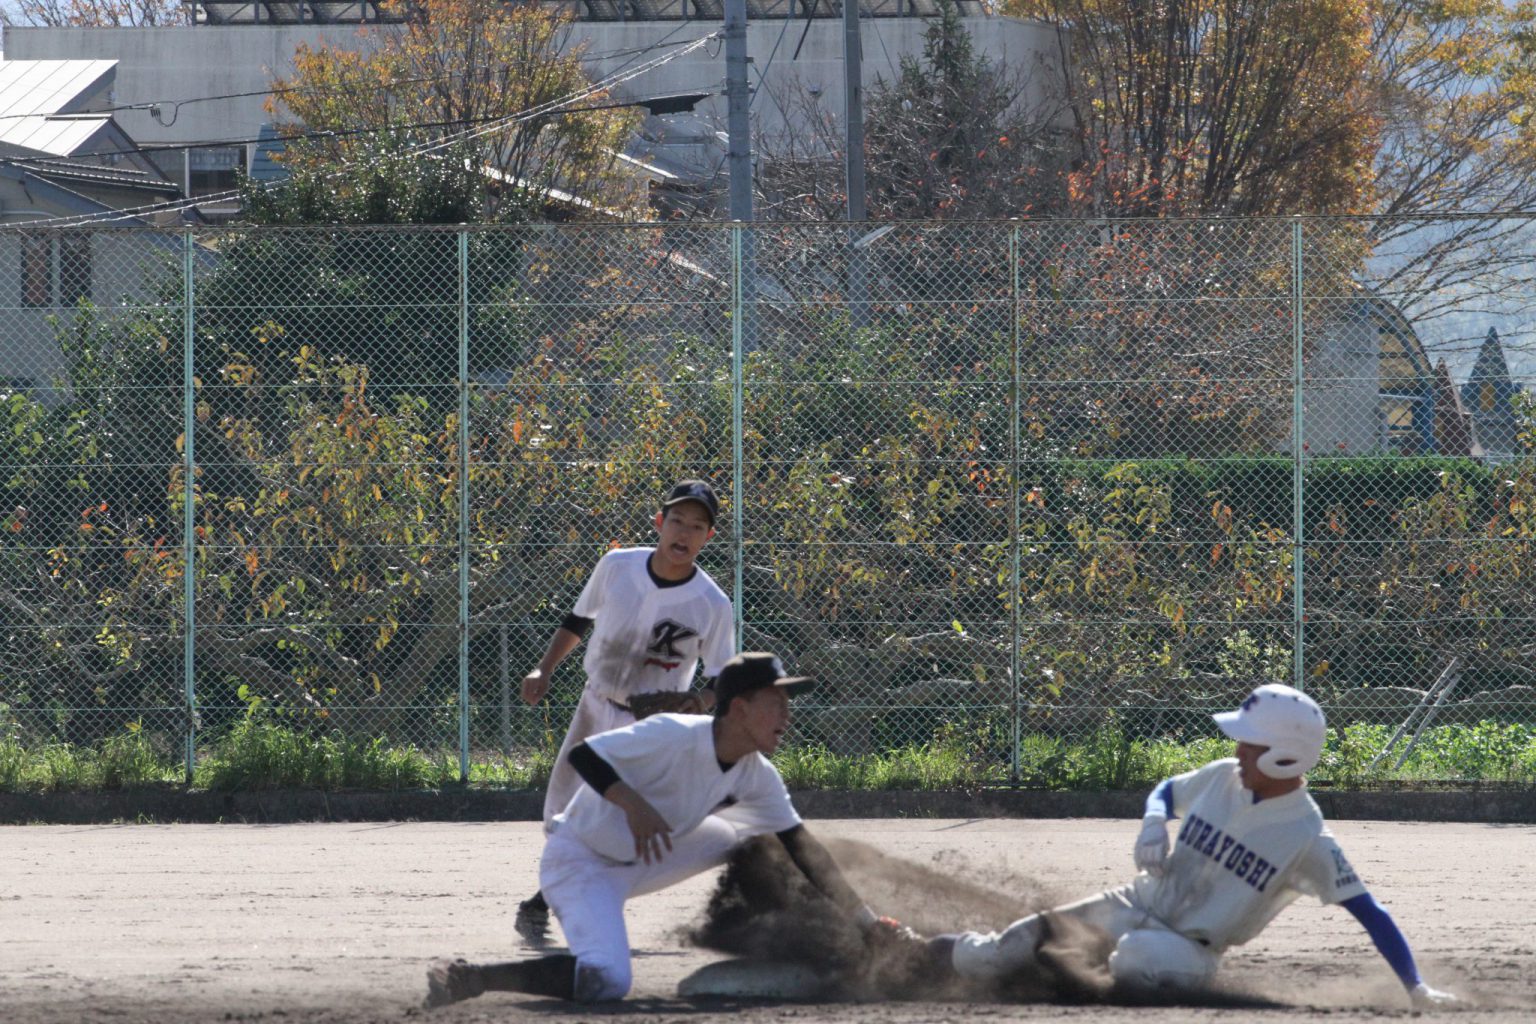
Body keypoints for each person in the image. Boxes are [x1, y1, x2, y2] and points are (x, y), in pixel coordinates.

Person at [924, 683, 1461, 1011]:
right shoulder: (1225, 776)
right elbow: (1166, 790)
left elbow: (1371, 913)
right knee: (1018, 941)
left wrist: (1415, 987)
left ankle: (1061, 983)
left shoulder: (1307, 838)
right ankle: (907, 949)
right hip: (1138, 902)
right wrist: (1154, 821)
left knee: (1133, 960)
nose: (1238, 748)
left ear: (1285, 757)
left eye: (1251, 742)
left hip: (1186, 950)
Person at [424, 651, 909, 1007]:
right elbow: (583, 755)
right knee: (607, 981)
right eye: (776, 700)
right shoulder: (673, 733)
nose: (787, 713)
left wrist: (867, 922)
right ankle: (475, 977)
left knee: (755, 839)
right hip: (582, 862)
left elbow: (803, 850)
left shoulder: (756, 774)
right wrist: (632, 803)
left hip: (654, 853)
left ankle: (789, 937)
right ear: (738, 706)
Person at [514, 478, 735, 945]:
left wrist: (700, 702)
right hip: (595, 707)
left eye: (698, 526)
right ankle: (552, 899)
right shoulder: (617, 566)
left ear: (708, 537)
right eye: (677, 520)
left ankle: (549, 905)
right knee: (563, 812)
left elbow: (722, 678)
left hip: (650, 727)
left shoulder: (713, 604)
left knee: (624, 819)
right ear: (659, 522)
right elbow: (578, 619)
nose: (685, 532)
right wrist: (544, 668)